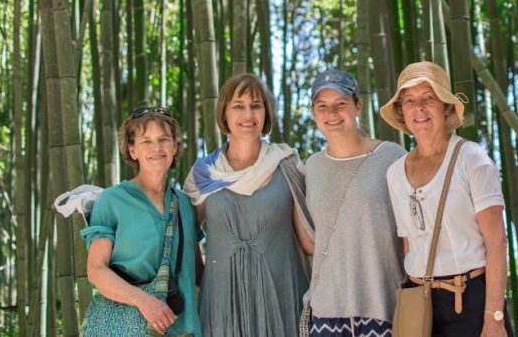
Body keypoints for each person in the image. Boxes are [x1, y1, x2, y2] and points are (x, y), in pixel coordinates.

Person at [379, 61, 514, 337]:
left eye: (429, 98)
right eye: (409, 100)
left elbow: (497, 242)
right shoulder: (395, 173)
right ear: (402, 112)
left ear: (446, 106)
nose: (419, 108)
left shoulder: (471, 159)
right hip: (420, 303)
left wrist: (494, 318)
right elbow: (409, 243)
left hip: (471, 301)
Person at [183, 73, 312, 337]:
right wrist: (201, 274)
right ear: (224, 114)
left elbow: (308, 240)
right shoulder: (206, 171)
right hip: (221, 300)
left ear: (266, 113)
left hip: (282, 294)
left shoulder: (287, 164)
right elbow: (184, 234)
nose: (248, 114)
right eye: (238, 106)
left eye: (256, 105)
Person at [302, 69, 407, 336]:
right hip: (326, 312)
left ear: (358, 106)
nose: (332, 114)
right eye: (322, 106)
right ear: (314, 113)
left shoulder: (393, 157)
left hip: (384, 306)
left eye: (341, 104)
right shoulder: (310, 167)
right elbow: (311, 239)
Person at [82, 107, 203, 337]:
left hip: (184, 329)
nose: (156, 148)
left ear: (175, 146)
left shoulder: (186, 204)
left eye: (164, 139)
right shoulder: (112, 200)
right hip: (126, 327)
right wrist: (145, 302)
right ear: (132, 150)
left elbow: (197, 270)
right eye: (146, 140)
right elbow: (96, 270)